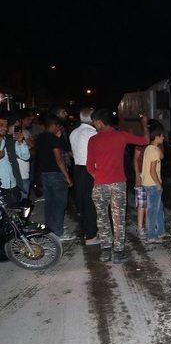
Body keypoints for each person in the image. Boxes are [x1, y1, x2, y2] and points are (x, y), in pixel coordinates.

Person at [86, 109, 148, 263]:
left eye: (94, 121)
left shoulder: (93, 140)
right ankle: (118, 252)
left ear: (100, 122)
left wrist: (98, 176)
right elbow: (145, 141)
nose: (93, 124)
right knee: (118, 219)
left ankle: (106, 252)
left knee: (102, 218)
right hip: (118, 184)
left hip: (100, 185)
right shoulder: (121, 135)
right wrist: (145, 124)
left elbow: (89, 166)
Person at [36, 116, 73, 239]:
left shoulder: (40, 137)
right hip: (56, 174)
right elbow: (59, 160)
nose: (59, 128)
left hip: (45, 174)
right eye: (57, 126)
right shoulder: (53, 139)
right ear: (53, 125)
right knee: (60, 203)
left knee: (50, 203)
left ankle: (51, 230)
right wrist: (67, 177)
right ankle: (59, 232)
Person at [69, 107, 99, 245]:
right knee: (91, 203)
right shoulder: (92, 133)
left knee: (81, 201)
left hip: (77, 168)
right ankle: (91, 236)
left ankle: (86, 231)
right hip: (89, 169)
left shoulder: (73, 132)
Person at [142, 122, 166, 244]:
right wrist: (159, 184)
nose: (164, 138)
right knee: (153, 210)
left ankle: (161, 232)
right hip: (152, 184)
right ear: (157, 136)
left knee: (159, 208)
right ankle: (151, 235)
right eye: (162, 136)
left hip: (148, 183)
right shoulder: (153, 151)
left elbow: (161, 156)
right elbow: (152, 171)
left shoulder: (150, 148)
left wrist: (158, 145)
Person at [17, 110, 35, 200]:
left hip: (26, 166)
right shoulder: (20, 133)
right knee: (23, 196)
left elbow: (34, 144)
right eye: (28, 119)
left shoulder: (26, 131)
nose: (30, 121)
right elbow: (32, 145)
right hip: (21, 170)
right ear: (21, 120)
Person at [133, 146, 147, 238]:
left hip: (150, 178)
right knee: (142, 204)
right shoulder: (140, 146)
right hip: (142, 177)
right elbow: (135, 160)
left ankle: (149, 227)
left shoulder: (153, 145)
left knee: (149, 205)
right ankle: (140, 228)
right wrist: (138, 176)